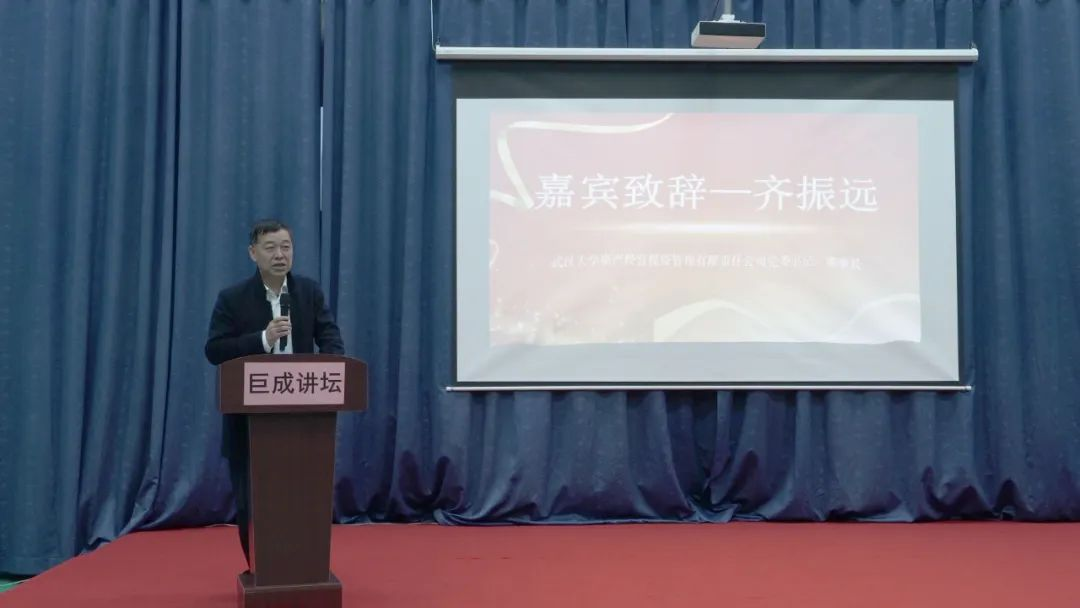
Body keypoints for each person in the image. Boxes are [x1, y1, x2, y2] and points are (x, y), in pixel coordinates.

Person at [204, 218, 344, 565]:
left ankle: (305, 566)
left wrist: (331, 366)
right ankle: (260, 568)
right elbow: (215, 350)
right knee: (254, 500)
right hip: (250, 422)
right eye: (270, 248)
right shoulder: (233, 299)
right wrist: (263, 339)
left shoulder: (309, 293)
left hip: (304, 419)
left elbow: (331, 339)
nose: (280, 255)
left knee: (303, 496)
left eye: (286, 247)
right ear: (253, 253)